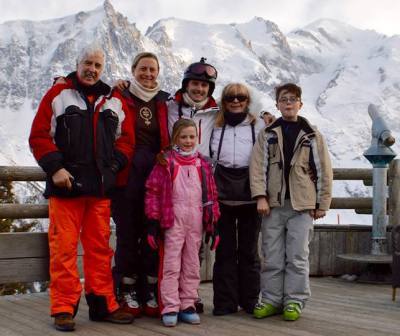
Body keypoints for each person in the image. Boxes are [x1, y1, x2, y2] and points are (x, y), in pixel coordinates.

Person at [28, 44, 135, 331]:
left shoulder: (114, 100)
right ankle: (63, 308)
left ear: (103, 69)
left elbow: (126, 140)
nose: (92, 69)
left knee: (100, 249)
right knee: (63, 251)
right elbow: (39, 137)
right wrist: (56, 169)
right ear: (78, 64)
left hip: (99, 190)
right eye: (88, 63)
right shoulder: (58, 95)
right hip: (66, 189)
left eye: (98, 65)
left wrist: (113, 168)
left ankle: (102, 305)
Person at [250, 83, 333, 321]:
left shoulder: (312, 135)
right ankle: (271, 300)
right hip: (272, 206)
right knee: (272, 256)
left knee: (297, 256)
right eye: (284, 99)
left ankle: (294, 301)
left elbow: (324, 170)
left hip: (302, 206)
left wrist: (322, 203)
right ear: (277, 104)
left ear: (300, 104)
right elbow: (258, 169)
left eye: (293, 99)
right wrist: (260, 196)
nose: (288, 103)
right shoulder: (267, 134)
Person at [110, 52, 170, 318]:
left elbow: (203, 105)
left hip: (155, 174)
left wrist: (260, 112)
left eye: (152, 69)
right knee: (127, 232)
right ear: (133, 70)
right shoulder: (120, 95)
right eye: (143, 69)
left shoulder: (165, 100)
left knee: (152, 233)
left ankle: (150, 289)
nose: (148, 74)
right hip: (127, 174)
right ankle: (127, 289)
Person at [144, 118, 220, 327]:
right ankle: (170, 305)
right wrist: (152, 222)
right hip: (173, 220)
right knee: (171, 264)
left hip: (195, 221)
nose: (188, 141)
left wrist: (214, 224)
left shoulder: (202, 164)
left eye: (192, 137)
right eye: (183, 137)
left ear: (198, 138)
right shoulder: (166, 162)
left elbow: (211, 195)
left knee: (192, 264)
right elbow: (153, 192)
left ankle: (188, 303)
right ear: (175, 138)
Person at [210, 83, 264, 316]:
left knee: (249, 251)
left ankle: (250, 300)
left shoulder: (259, 125)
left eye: (241, 97)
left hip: (250, 195)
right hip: (221, 196)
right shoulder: (214, 123)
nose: (235, 101)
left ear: (248, 100)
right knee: (224, 252)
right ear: (223, 101)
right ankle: (225, 302)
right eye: (230, 97)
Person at [167, 57, 219, 157]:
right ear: (186, 85)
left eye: (204, 85)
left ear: (209, 89)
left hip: (201, 168)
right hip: (173, 166)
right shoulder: (170, 105)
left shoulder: (215, 112)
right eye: (195, 83)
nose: (199, 89)